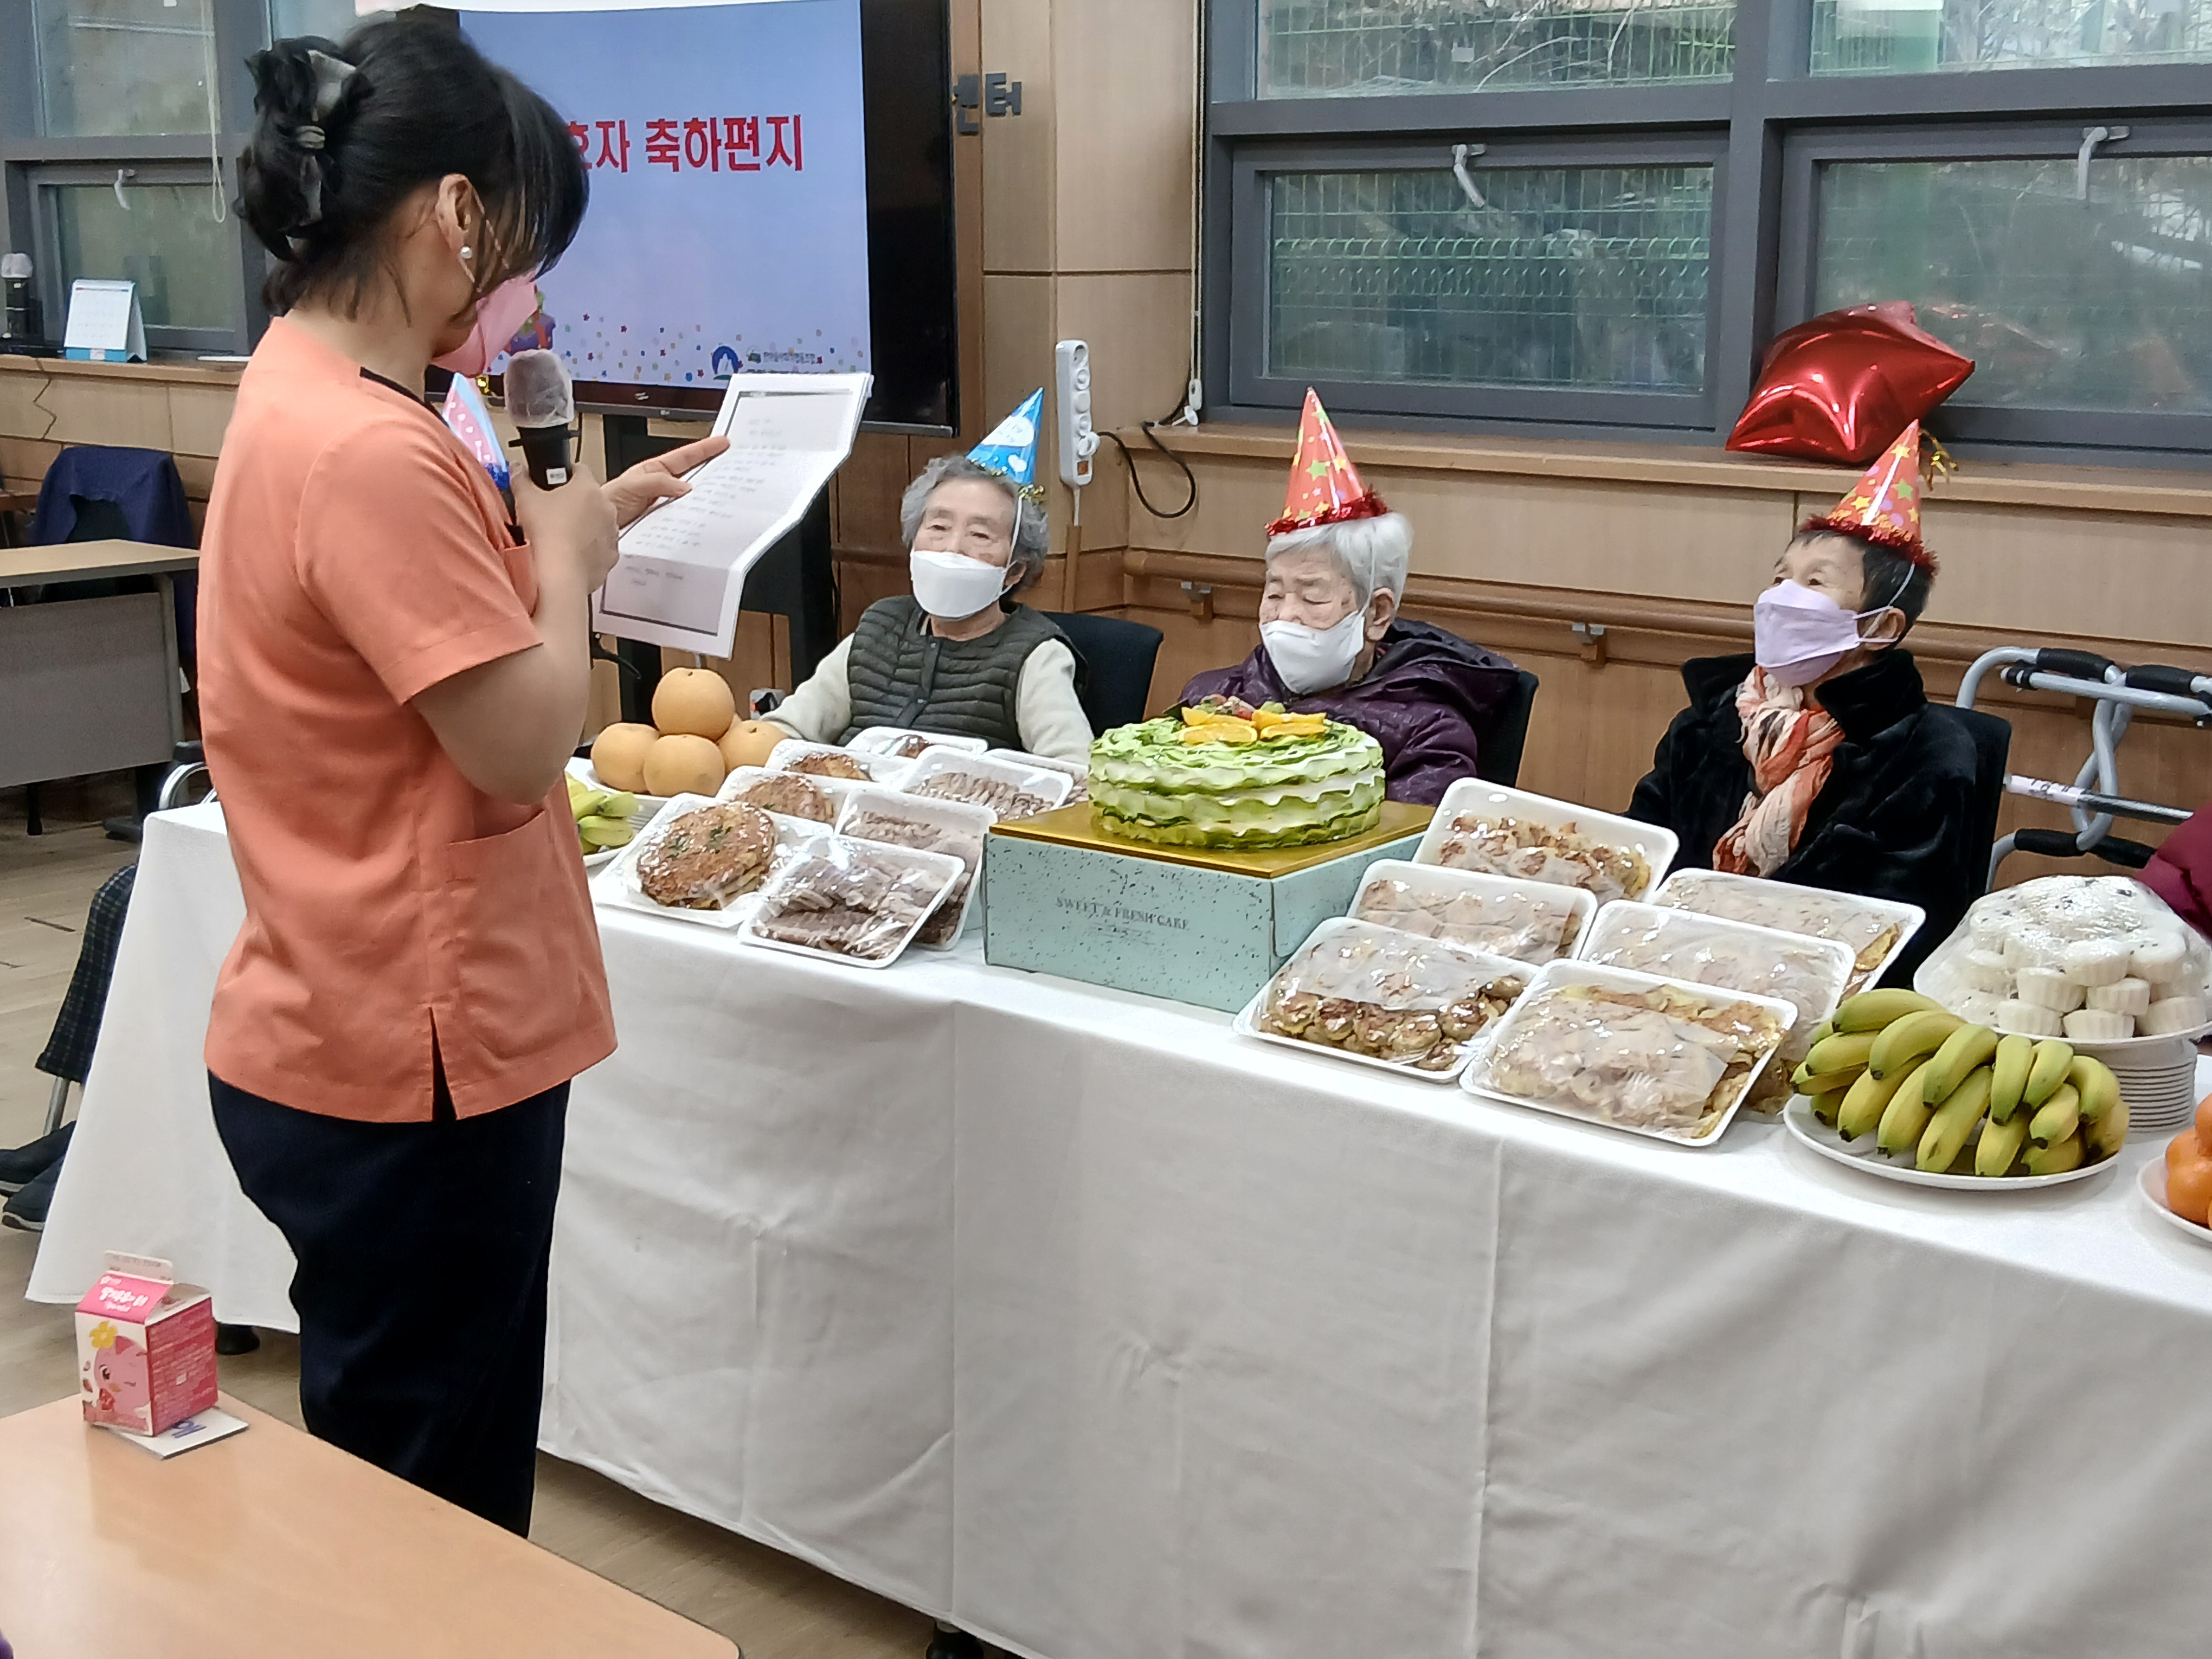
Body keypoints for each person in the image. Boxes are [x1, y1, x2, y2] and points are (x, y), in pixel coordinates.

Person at [195, 20, 725, 1534]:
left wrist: (573, 525)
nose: (525, 290)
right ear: (452, 213)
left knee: (402, 1455)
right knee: (437, 1503)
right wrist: (560, 554)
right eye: (524, 244)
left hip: (341, 1004)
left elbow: (407, 638)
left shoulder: (307, 389)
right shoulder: (374, 448)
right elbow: (516, 742)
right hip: (414, 1043)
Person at [1629, 421, 1984, 975]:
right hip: (1670, 960)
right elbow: (1646, 846)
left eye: (1815, 583)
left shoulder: (1924, 753)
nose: (1782, 599)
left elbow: (1897, 924)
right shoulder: (1714, 718)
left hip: (1818, 983)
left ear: (1881, 626)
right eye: (1781, 579)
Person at [1180, 390, 1518, 803]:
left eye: (1312, 598)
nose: (1285, 616)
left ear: (1376, 614)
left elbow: (1402, 835)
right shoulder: (1212, 697)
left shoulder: (1426, 733)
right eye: (1275, 593)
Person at [765, 391, 1091, 762]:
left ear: (1014, 571)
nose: (952, 547)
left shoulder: (1037, 655)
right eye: (938, 527)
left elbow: (1074, 768)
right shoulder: (878, 627)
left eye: (980, 534)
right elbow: (789, 729)